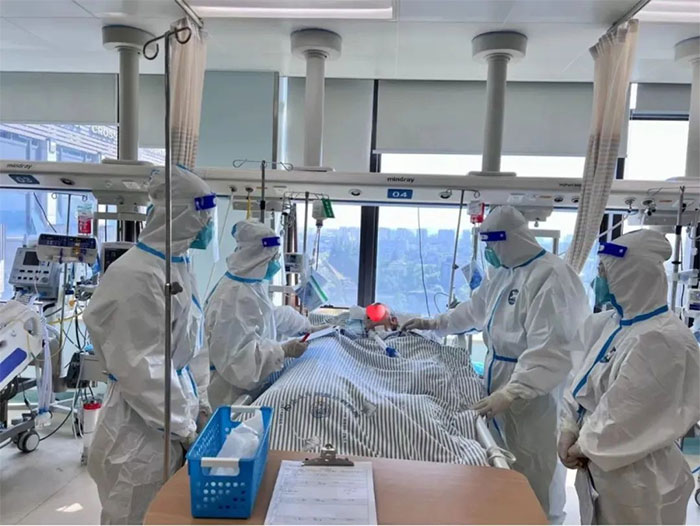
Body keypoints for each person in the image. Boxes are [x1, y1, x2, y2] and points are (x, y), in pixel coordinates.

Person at [402, 205, 589, 522]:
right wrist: (434, 323)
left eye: (492, 243)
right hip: (500, 373)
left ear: (510, 239)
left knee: (535, 462)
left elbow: (552, 348)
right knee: (502, 457)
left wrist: (514, 391)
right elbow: (474, 310)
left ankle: (541, 519)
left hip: (536, 388)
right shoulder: (504, 273)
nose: (488, 251)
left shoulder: (552, 277)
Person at [84, 165, 217, 524]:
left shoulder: (178, 266)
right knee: (136, 514)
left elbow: (192, 347)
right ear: (180, 216)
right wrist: (182, 426)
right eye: (203, 216)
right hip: (138, 431)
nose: (207, 226)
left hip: (169, 416)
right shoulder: (136, 274)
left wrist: (200, 405)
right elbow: (142, 368)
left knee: (167, 514)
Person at [558, 229, 700, 524]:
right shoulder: (612, 324)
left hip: (639, 475)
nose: (599, 281)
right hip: (602, 464)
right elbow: (580, 380)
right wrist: (568, 425)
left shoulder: (663, 339)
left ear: (630, 277)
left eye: (605, 273)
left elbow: (628, 413)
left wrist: (583, 445)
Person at [205, 220, 325, 408]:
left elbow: (271, 316)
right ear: (258, 258)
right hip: (231, 394)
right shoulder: (233, 297)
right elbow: (238, 362)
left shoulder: (251, 284)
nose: (275, 263)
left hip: (247, 388)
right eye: (273, 258)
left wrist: (307, 327)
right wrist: (283, 350)